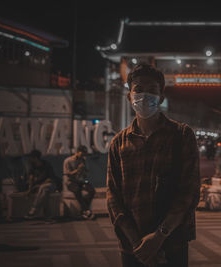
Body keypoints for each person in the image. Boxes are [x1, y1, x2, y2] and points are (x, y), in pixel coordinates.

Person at [107, 64, 200, 267]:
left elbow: (189, 192)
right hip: (133, 248)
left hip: (172, 244)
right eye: (138, 89)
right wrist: (137, 242)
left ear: (161, 98)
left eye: (152, 90)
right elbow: (113, 196)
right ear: (129, 96)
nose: (144, 95)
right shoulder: (118, 143)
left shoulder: (182, 135)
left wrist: (159, 237)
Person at [63, 145, 95, 220]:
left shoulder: (83, 160)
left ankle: (84, 210)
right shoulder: (68, 161)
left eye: (84, 154)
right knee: (77, 191)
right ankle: (86, 210)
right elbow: (68, 174)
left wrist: (84, 171)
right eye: (82, 153)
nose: (83, 155)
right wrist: (78, 170)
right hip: (71, 182)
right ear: (77, 152)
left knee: (91, 190)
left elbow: (86, 173)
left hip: (80, 181)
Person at [24, 150, 57, 219]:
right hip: (41, 188)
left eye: (31, 157)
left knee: (43, 187)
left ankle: (34, 210)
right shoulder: (32, 167)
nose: (29, 159)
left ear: (35, 158)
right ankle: (48, 217)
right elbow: (31, 179)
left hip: (51, 185)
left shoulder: (46, 165)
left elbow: (50, 178)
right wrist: (30, 190)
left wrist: (39, 185)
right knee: (44, 193)